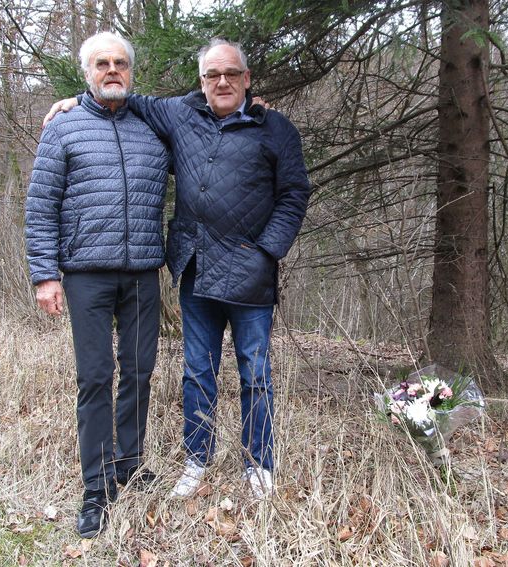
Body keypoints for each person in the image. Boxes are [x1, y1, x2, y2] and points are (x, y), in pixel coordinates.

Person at [45, 38, 311, 499]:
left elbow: (294, 195)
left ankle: (258, 461)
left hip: (252, 271)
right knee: (197, 371)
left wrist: (268, 251)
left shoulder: (276, 130)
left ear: (247, 80)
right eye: (212, 75)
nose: (221, 82)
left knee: (256, 372)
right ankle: (197, 457)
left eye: (231, 74)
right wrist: (77, 100)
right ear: (201, 82)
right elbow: (118, 96)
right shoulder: (179, 116)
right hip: (195, 267)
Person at [25, 31, 169, 538]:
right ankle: (96, 484)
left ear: (132, 71)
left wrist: (252, 101)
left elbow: (208, 112)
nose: (113, 70)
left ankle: (128, 464)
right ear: (86, 73)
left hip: (142, 274)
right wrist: (45, 274)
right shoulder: (63, 128)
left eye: (121, 63)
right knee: (94, 377)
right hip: (86, 273)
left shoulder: (153, 126)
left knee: (139, 371)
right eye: (102, 64)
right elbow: (41, 205)